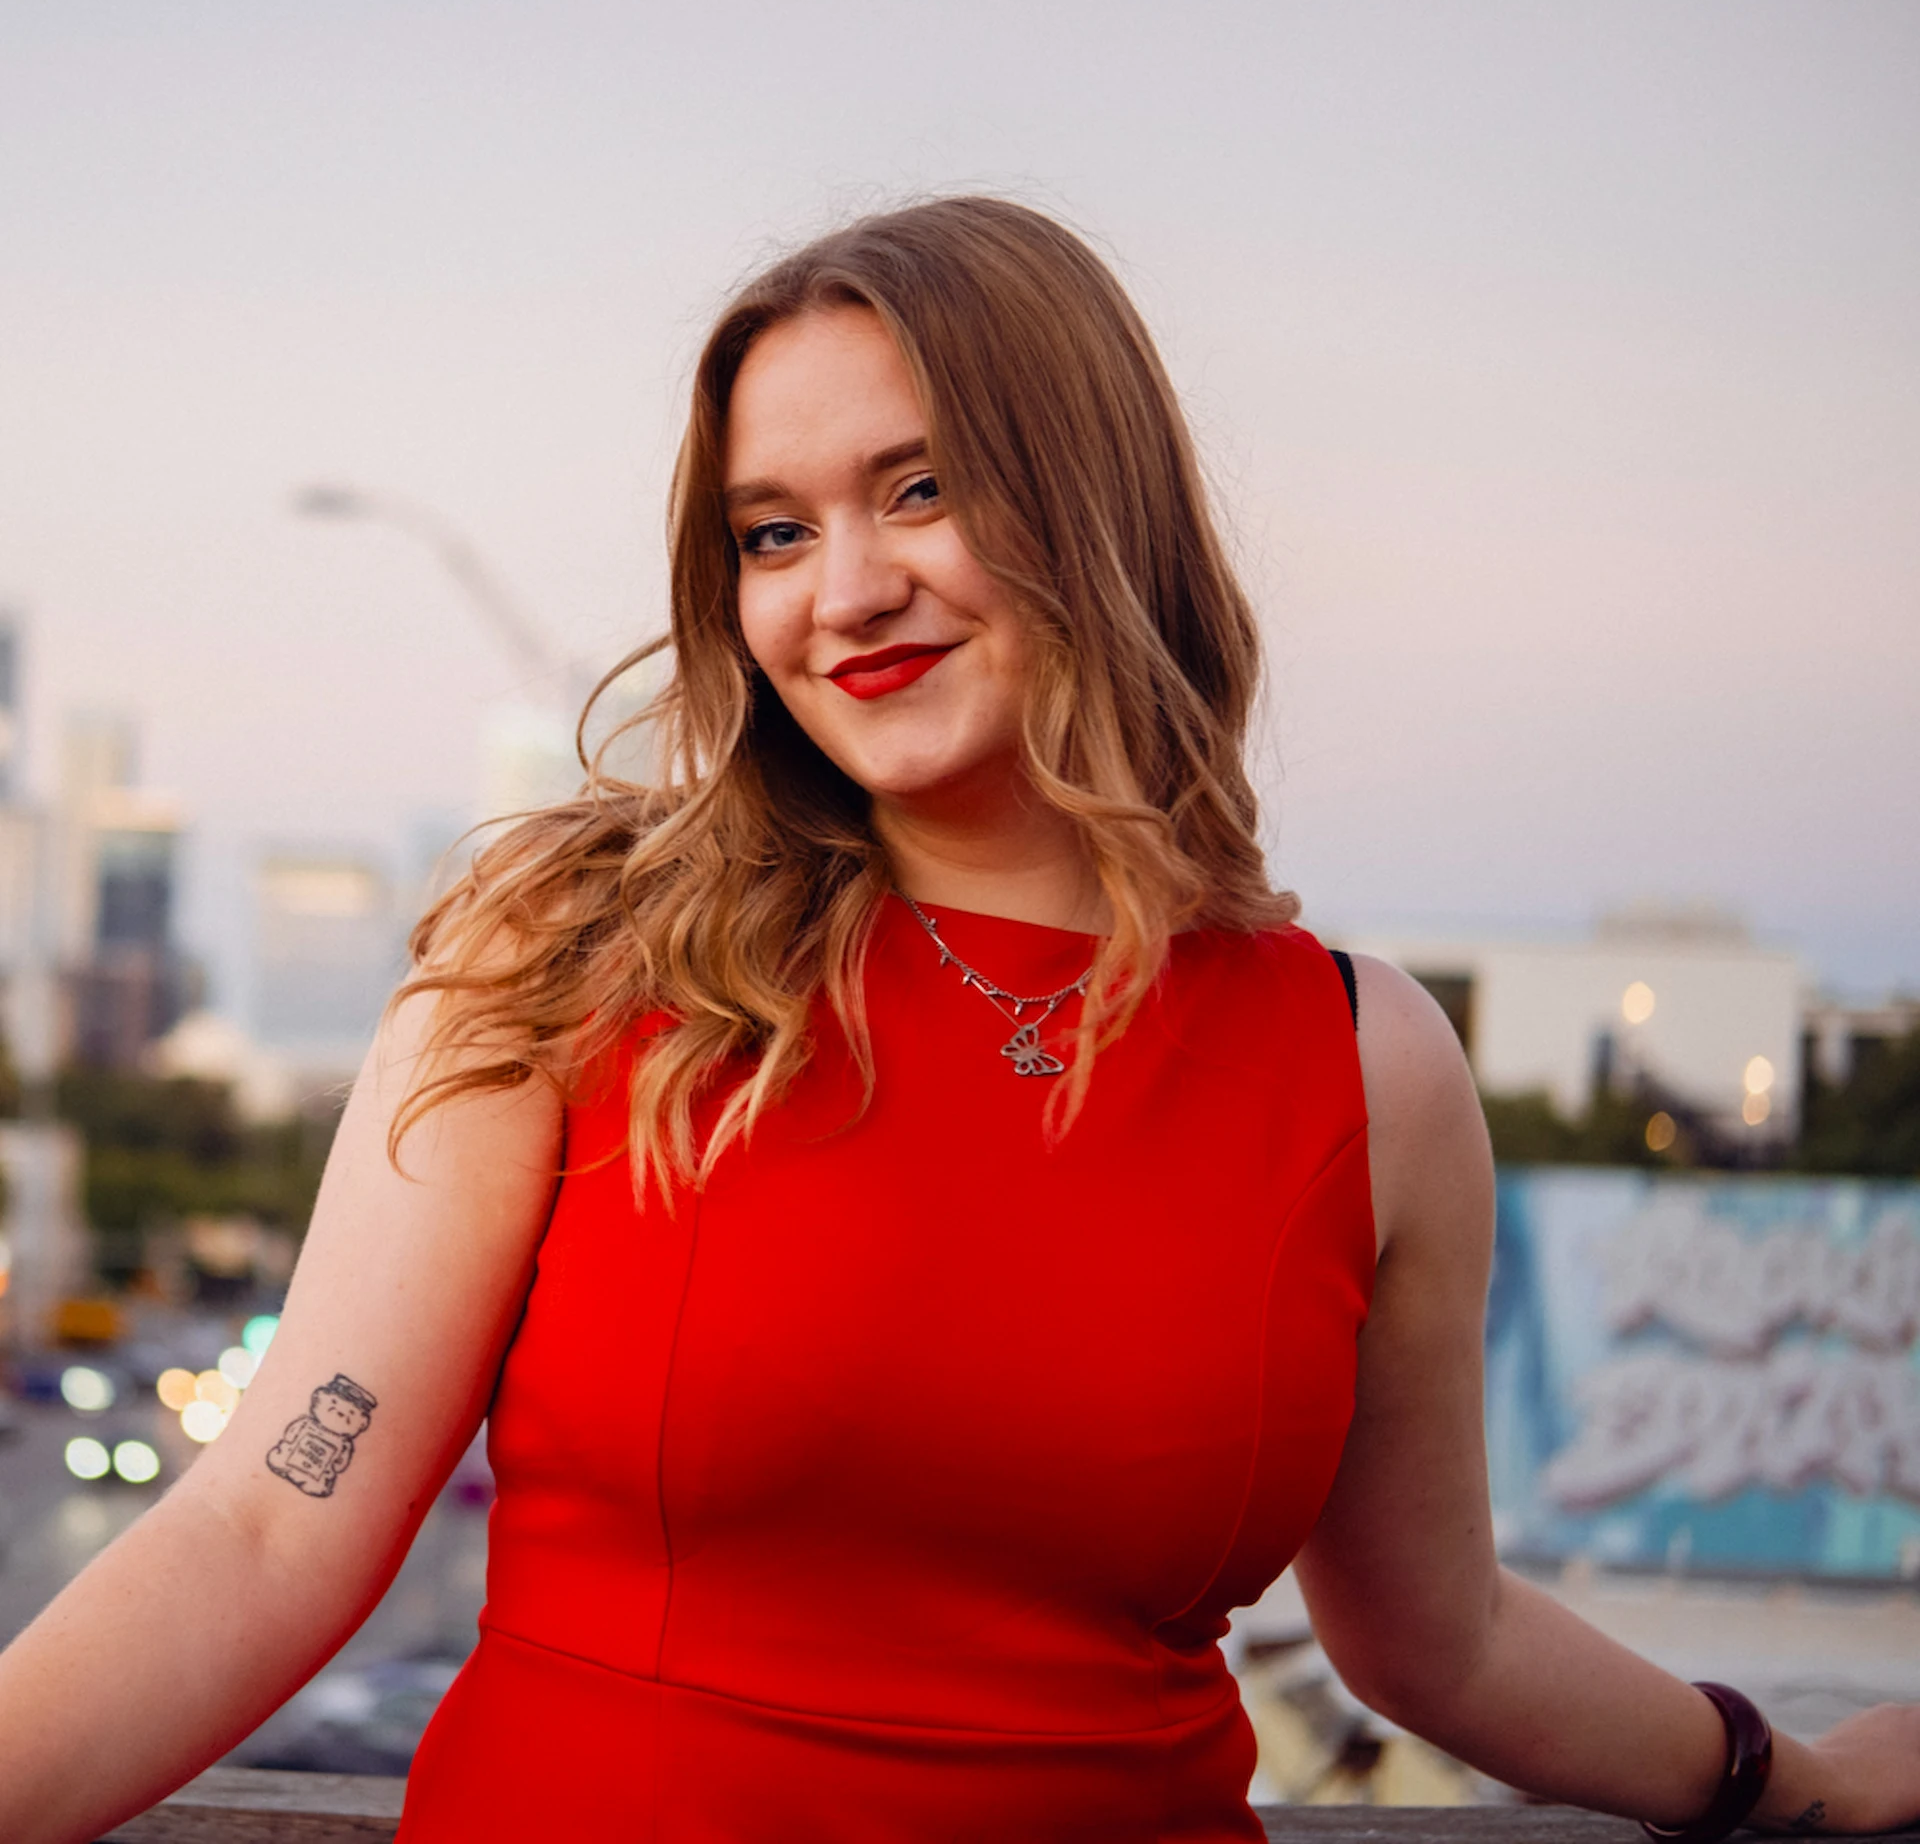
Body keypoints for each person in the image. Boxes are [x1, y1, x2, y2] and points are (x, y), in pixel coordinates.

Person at [1, 196, 1915, 1844]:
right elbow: (272, 1521)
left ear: (1093, 499)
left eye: (920, 489)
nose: (847, 592)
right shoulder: (572, 952)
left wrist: (1794, 1782)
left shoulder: (1364, 1065)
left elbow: (1436, 1638)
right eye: (770, 532)